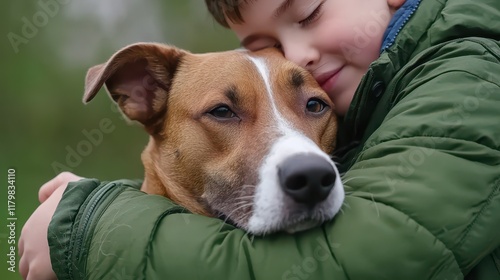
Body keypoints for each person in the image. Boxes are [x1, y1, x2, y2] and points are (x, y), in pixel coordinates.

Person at [19, 0, 500, 279]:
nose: (302, 156)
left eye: (313, 106)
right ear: (144, 96)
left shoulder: (467, 74)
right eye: (224, 112)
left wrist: (87, 231)